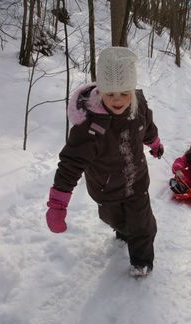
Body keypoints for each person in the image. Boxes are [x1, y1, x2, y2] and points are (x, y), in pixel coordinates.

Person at [46, 47, 164, 277]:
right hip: (105, 189)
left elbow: (147, 128)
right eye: (110, 93)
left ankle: (141, 261)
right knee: (114, 220)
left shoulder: (138, 105)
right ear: (100, 91)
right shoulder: (90, 127)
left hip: (137, 182)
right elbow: (70, 165)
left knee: (142, 225)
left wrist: (156, 144)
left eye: (124, 93)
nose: (117, 100)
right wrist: (58, 205)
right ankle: (122, 230)